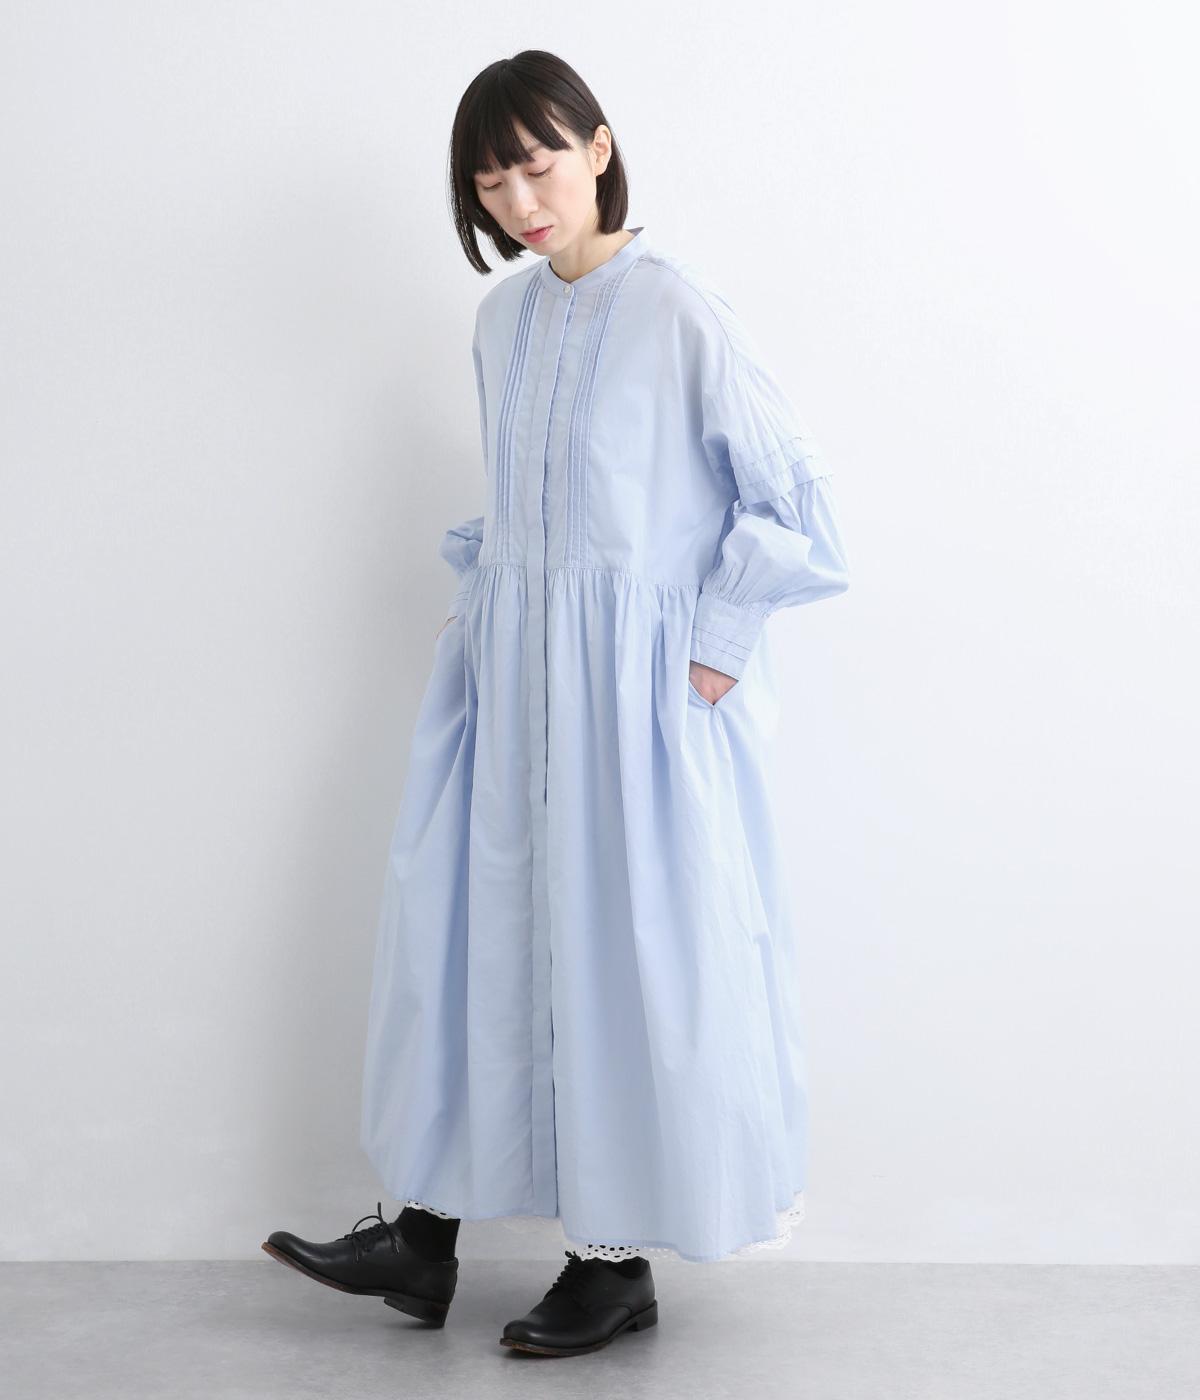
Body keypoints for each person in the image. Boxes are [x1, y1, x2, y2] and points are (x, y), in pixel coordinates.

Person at [262, 49, 850, 1359]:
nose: (521, 201)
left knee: (615, 958)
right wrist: (485, 615)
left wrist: (713, 650)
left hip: (638, 705)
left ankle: (611, 1264)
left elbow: (794, 502)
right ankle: (423, 1238)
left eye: (537, 164)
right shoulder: (501, 322)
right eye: (491, 181)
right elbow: (525, 504)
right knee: (471, 940)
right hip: (510, 681)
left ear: (597, 148)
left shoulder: (679, 310)